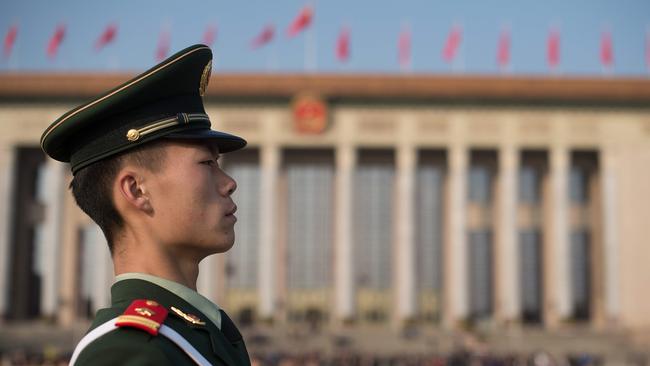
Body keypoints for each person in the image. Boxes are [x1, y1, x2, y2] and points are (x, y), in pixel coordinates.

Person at [40, 44, 250, 365]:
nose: (229, 183)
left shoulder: (198, 332)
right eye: (208, 163)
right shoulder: (126, 351)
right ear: (137, 190)